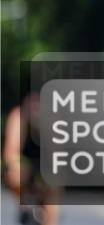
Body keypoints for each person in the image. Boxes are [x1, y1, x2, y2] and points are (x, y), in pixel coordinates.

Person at [3, 95, 61, 225]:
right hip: (25, 165)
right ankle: (26, 207)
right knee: (15, 172)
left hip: (44, 164)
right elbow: (10, 152)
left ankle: (48, 216)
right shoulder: (18, 117)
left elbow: (58, 153)